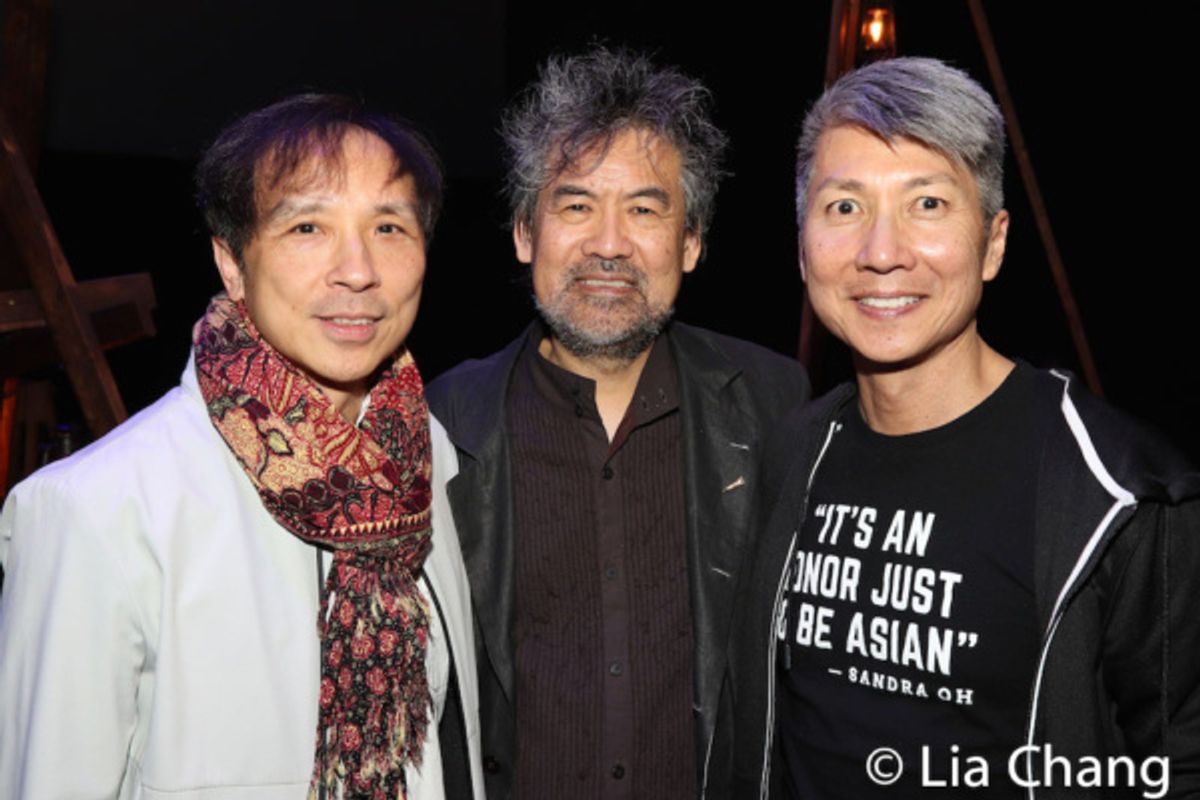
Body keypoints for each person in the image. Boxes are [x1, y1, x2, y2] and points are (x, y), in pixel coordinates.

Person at [730, 57, 1200, 799]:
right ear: (801, 247)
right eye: (845, 207)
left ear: (994, 242)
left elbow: (1179, 759)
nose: (882, 254)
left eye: (927, 203)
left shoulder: (1121, 494)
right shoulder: (791, 454)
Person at [0, 94, 484, 800]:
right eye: (308, 227)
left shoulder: (428, 460)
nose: (357, 270)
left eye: (388, 227)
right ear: (232, 262)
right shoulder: (99, 509)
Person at [426, 47, 810, 799]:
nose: (608, 244)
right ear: (524, 234)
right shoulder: (444, 423)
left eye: (643, 209)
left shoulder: (774, 406)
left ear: (691, 243)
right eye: (576, 206)